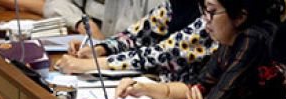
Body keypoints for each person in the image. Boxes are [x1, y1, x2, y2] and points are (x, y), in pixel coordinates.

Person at [115, 0, 286, 99]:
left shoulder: (253, 40)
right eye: (204, 11)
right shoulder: (230, 40)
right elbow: (196, 86)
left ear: (240, 16)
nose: (205, 20)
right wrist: (143, 89)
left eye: (211, 12)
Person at [55, 0, 214, 81]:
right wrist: (101, 49)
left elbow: (161, 54)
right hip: (158, 89)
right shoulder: (179, 3)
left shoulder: (214, 13)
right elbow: (137, 35)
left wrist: (92, 64)